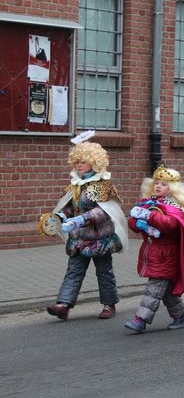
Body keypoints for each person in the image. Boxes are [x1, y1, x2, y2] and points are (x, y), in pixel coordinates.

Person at [46, 132, 128, 320]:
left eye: (83, 161)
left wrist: (81, 220)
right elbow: (69, 208)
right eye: (77, 161)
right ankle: (63, 305)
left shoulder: (103, 184)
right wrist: (59, 217)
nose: (79, 164)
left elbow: (103, 211)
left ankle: (109, 304)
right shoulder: (75, 185)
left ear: (94, 162)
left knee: (104, 273)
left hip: (100, 238)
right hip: (79, 238)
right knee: (73, 271)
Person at [124, 165, 184, 333]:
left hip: (167, 254)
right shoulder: (150, 202)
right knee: (166, 291)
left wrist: (149, 216)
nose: (158, 186)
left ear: (172, 188)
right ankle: (181, 316)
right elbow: (133, 221)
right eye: (157, 183)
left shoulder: (174, 207)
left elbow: (170, 224)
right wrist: (137, 222)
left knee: (154, 288)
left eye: (164, 184)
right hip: (152, 251)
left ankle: (140, 319)